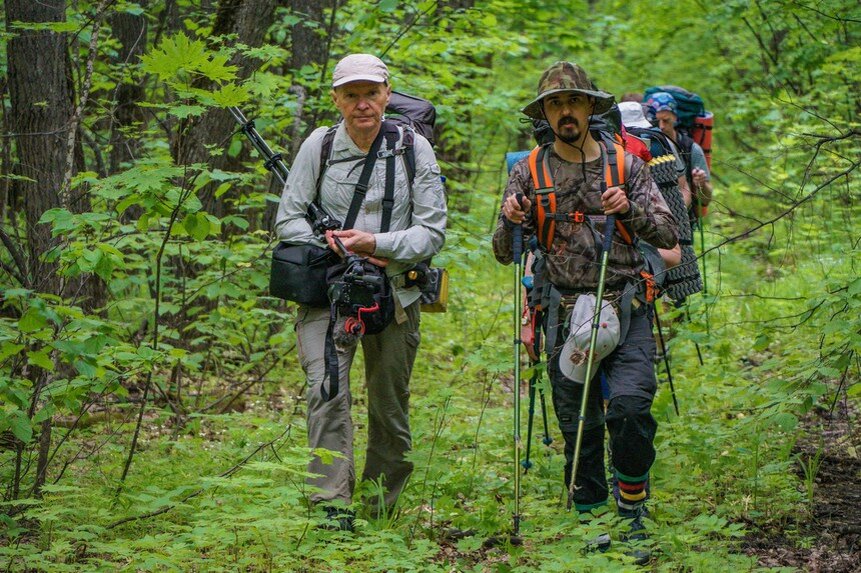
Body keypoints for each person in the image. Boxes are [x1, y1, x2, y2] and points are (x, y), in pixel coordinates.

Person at [492, 61, 678, 561]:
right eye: (555, 104)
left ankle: (632, 507)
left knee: (632, 408)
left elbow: (667, 235)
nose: (565, 112)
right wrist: (512, 219)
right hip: (561, 310)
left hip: (625, 302)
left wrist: (629, 210)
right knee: (580, 424)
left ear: (591, 107)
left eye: (573, 101)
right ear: (545, 114)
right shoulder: (528, 170)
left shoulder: (626, 166)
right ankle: (591, 516)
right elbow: (503, 252)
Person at [275, 53, 447, 530]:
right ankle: (331, 507)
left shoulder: (415, 149)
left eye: (371, 93)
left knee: (389, 404)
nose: (362, 104)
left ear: (387, 95)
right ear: (336, 100)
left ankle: (380, 506)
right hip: (328, 293)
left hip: (394, 295)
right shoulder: (320, 145)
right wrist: (330, 243)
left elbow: (432, 232)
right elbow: (287, 219)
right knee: (325, 393)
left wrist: (377, 244)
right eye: (351, 94)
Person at [644, 91, 712, 212]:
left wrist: (701, 184)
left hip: (683, 220)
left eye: (666, 120)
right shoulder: (644, 146)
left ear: (675, 117)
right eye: (655, 121)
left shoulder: (691, 148)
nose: (661, 127)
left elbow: (705, 200)